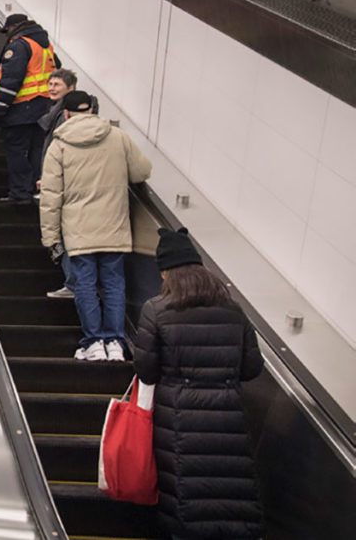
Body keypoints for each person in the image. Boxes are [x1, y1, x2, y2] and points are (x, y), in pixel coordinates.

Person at [134, 228, 264, 540]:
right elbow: (252, 368)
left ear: (166, 271)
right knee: (231, 489)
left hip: (178, 418)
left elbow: (147, 372)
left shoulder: (157, 309)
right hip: (229, 416)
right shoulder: (234, 310)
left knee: (184, 491)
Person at [39, 90, 152, 361]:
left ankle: (93, 342)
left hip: (78, 230)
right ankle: (114, 341)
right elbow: (142, 171)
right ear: (92, 109)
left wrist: (50, 236)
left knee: (85, 285)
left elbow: (51, 197)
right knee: (114, 282)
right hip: (114, 225)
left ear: (65, 114)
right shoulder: (118, 137)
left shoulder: (60, 145)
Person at [38, 68, 98, 299]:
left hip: (71, 192)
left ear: (71, 89)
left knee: (67, 237)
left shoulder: (66, 120)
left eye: (57, 85)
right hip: (73, 189)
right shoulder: (55, 113)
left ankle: (75, 285)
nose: (51, 88)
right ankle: (77, 285)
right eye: (50, 84)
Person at [0, 13, 60, 205]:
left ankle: (20, 192)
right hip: (43, 107)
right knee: (36, 150)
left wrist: (0, 106)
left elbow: (11, 78)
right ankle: (34, 190)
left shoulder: (20, 45)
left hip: (20, 108)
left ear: (14, 27)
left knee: (17, 151)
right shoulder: (45, 45)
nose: (7, 36)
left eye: (7, 31)